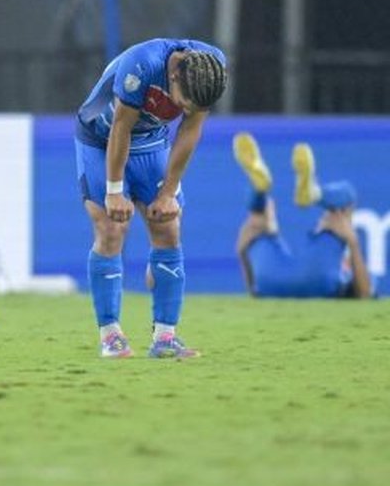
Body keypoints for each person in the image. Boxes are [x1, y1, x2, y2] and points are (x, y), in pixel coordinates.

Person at [76, 38, 227, 359]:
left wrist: (168, 192)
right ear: (173, 77)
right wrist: (114, 192)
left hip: (151, 144)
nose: (186, 112)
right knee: (111, 229)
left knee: (168, 229)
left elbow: (190, 130)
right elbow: (121, 128)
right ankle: (111, 335)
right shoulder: (141, 65)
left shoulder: (209, 68)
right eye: (184, 103)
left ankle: (165, 338)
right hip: (101, 141)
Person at [232, 133, 373, 299]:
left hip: (271, 281)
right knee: (347, 198)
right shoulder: (336, 244)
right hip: (317, 279)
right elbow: (365, 294)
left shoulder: (341, 258)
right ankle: (313, 193)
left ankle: (259, 188)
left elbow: (254, 292)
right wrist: (352, 241)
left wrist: (243, 253)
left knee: (258, 219)